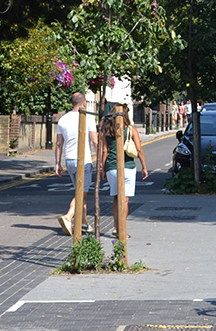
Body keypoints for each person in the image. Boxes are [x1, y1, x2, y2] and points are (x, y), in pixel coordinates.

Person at [56, 93, 99, 236]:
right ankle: (68, 217)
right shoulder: (88, 117)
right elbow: (95, 141)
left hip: (69, 160)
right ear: (84, 103)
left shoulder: (62, 119)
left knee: (79, 192)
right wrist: (100, 158)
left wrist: (57, 163)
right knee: (82, 193)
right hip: (84, 161)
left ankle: (84, 223)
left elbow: (58, 144)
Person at [100, 105, 149, 228]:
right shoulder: (131, 130)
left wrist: (104, 169)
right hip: (128, 167)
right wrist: (144, 167)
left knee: (116, 198)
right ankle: (121, 229)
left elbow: (105, 151)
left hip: (111, 167)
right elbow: (139, 149)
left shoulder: (107, 131)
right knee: (125, 199)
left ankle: (116, 226)